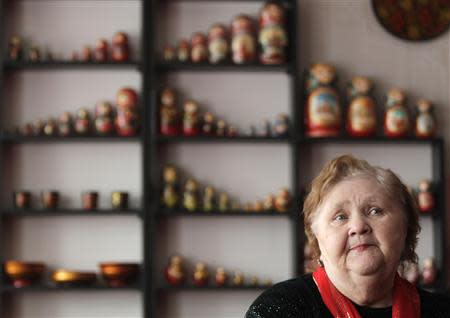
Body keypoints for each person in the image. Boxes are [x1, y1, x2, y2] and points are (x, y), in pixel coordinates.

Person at [246, 155, 450, 318]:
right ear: (317, 239)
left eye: (375, 211)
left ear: (406, 226)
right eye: (340, 217)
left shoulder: (441, 311)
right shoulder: (280, 309)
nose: (358, 226)